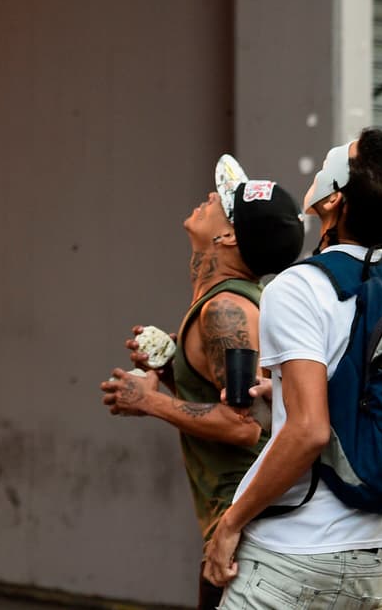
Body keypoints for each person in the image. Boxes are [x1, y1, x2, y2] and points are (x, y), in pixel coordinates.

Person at [100, 155, 304, 610]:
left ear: (228, 235)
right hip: (250, 532)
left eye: (223, 201)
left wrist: (148, 402)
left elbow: (244, 425)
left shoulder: (226, 311)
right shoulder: (230, 303)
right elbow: (240, 400)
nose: (211, 195)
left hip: (250, 536)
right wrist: (176, 370)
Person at [203, 130, 382, 607]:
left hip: (295, 554)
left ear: (333, 200)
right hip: (380, 559)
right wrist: (283, 389)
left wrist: (230, 524)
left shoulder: (300, 287)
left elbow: (309, 431)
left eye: (344, 154)